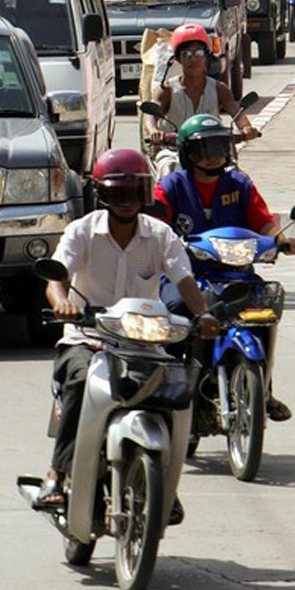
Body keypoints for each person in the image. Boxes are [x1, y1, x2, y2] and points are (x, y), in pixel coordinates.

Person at [32, 147, 216, 514]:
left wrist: (204, 315)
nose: (129, 203)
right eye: (120, 193)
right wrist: (62, 302)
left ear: (146, 195)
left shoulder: (161, 235)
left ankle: (166, 482)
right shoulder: (81, 231)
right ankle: (57, 473)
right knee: (80, 383)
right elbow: (57, 277)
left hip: (144, 346)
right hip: (88, 340)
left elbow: (186, 282)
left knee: (175, 394)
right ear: (102, 194)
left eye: (136, 194)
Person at [150, 114, 295, 421]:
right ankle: (168, 383)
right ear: (188, 154)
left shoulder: (239, 183)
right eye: (205, 149)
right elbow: (156, 224)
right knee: (176, 310)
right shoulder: (171, 185)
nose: (214, 157)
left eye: (220, 147)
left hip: (236, 273)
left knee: (265, 303)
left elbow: (262, 220)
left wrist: (283, 241)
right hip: (187, 277)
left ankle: (265, 385)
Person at [145, 23, 257, 160]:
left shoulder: (219, 88)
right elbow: (151, 116)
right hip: (174, 152)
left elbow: (236, 112)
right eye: (186, 54)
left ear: (206, 57)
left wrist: (246, 128)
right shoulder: (166, 90)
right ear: (178, 60)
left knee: (234, 174)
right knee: (168, 167)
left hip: (211, 152)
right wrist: (154, 131)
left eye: (198, 53)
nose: (193, 59)